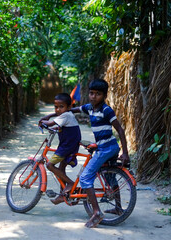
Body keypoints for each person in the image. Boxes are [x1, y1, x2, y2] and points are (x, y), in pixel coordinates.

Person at [71, 78, 130, 228]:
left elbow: (120, 130)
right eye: (91, 93)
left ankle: (96, 212)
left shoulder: (106, 110)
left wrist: (126, 153)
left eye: (97, 94)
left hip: (106, 148)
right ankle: (117, 208)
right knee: (109, 177)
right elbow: (75, 109)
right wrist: (62, 110)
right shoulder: (89, 108)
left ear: (104, 95)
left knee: (85, 178)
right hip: (106, 147)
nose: (93, 96)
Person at [39, 93, 81, 205]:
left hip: (67, 147)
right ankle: (63, 195)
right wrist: (53, 126)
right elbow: (59, 125)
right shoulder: (67, 115)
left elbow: (50, 123)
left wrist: (43, 121)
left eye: (61, 106)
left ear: (68, 107)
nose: (58, 109)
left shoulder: (66, 115)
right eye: (56, 107)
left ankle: (70, 183)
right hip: (69, 146)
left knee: (50, 165)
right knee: (61, 169)